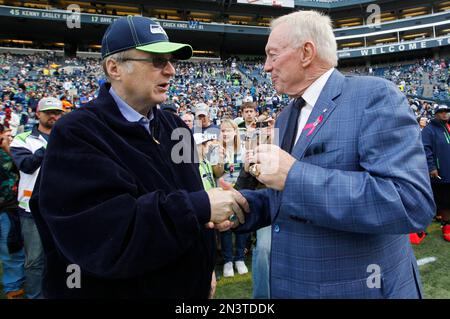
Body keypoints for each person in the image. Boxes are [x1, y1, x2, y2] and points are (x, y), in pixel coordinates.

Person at [30, 16, 248, 298]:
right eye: (157, 61)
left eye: (171, 61)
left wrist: (205, 265)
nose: (170, 71)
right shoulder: (76, 133)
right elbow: (109, 236)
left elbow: (190, 202)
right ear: (114, 67)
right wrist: (199, 207)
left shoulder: (175, 127)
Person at [224, 10, 435, 298]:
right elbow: (293, 198)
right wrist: (245, 207)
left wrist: (294, 175)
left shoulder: (375, 96)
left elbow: (409, 202)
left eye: (272, 55)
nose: (266, 67)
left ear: (306, 52)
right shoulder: (286, 116)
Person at [9, 96, 64, 299]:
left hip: (63, 207)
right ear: (37, 114)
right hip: (31, 208)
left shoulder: (70, 136)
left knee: (65, 257)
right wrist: (53, 144)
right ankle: (35, 295)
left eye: (57, 112)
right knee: (35, 260)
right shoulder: (22, 139)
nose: (54, 116)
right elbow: (27, 165)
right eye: (49, 112)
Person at [217, 119, 249, 277]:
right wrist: (219, 160)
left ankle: (240, 258)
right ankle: (228, 261)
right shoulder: (216, 149)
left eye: (228, 130)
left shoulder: (243, 148)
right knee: (226, 226)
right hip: (222, 191)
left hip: (239, 190)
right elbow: (215, 173)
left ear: (235, 132)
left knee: (241, 223)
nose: (225, 133)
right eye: (222, 131)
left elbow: (247, 171)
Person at [0, 124, 25, 299]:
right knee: (10, 249)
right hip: (6, 207)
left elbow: (23, 167)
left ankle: (13, 285)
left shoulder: (8, 151)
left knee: (11, 248)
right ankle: (12, 285)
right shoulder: (6, 153)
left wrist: (6, 145)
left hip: (8, 208)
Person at [421, 104, 450, 242]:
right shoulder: (429, 130)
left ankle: (441, 218)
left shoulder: (448, 127)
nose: (445, 114)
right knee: (444, 201)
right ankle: (447, 227)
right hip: (439, 172)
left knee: (443, 200)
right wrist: (432, 167)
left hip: (448, 170)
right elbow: (425, 150)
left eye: (446, 112)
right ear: (435, 113)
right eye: (441, 112)